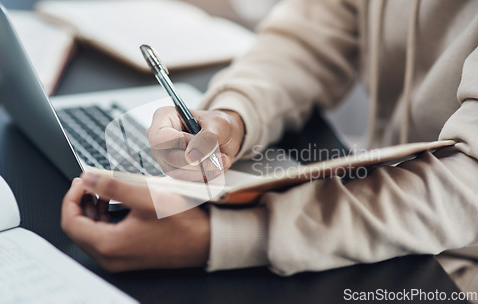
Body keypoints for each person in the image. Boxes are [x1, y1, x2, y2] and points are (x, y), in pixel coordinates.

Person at [61, 0, 478, 292]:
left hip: (456, 272)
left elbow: (466, 188)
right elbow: (307, 40)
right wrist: (232, 116)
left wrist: (221, 237)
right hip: (369, 224)